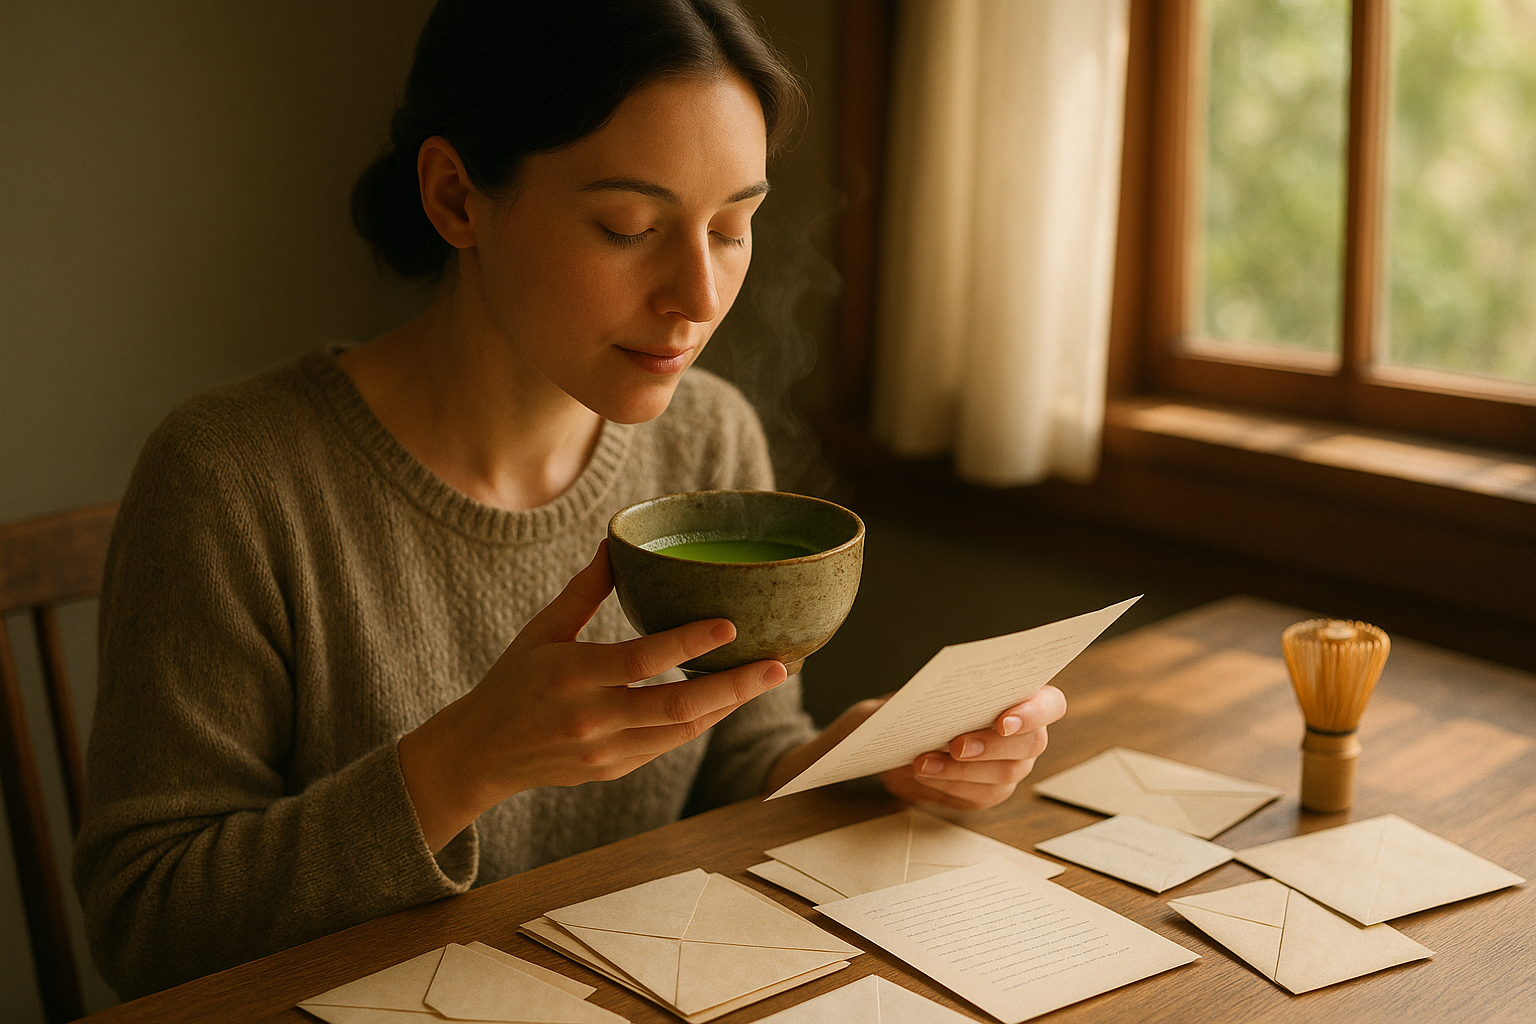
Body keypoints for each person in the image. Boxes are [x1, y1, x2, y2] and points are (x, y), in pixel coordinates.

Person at [74, 0, 1066, 1000]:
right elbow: (147, 929)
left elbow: (730, 754)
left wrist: (852, 760)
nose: (699, 294)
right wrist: (460, 762)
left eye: (733, 226)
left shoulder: (706, 437)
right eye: (631, 227)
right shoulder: (233, 479)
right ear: (458, 198)